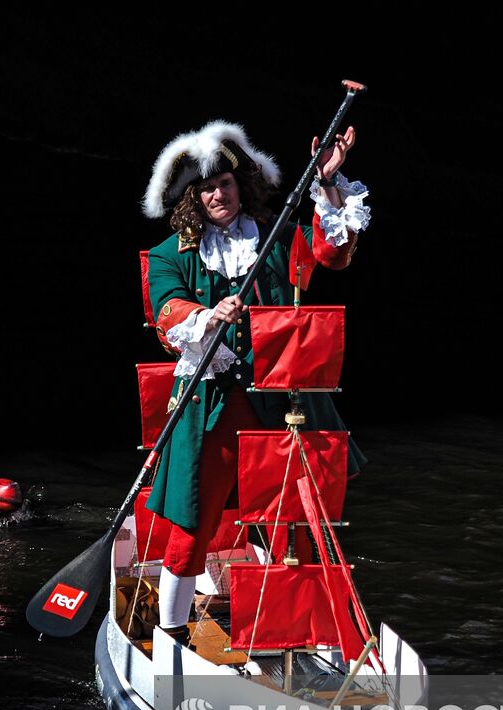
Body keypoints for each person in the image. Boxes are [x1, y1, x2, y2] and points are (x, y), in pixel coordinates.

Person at [141, 119, 372, 645]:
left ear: (240, 185)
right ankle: (172, 632)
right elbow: (166, 311)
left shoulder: (278, 237)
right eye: (206, 188)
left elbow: (334, 255)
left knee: (298, 525)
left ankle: (306, 632)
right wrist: (206, 313)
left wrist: (330, 183)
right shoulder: (168, 254)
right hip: (213, 404)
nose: (217, 194)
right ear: (192, 199)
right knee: (191, 521)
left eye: (224, 183)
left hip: (282, 403)